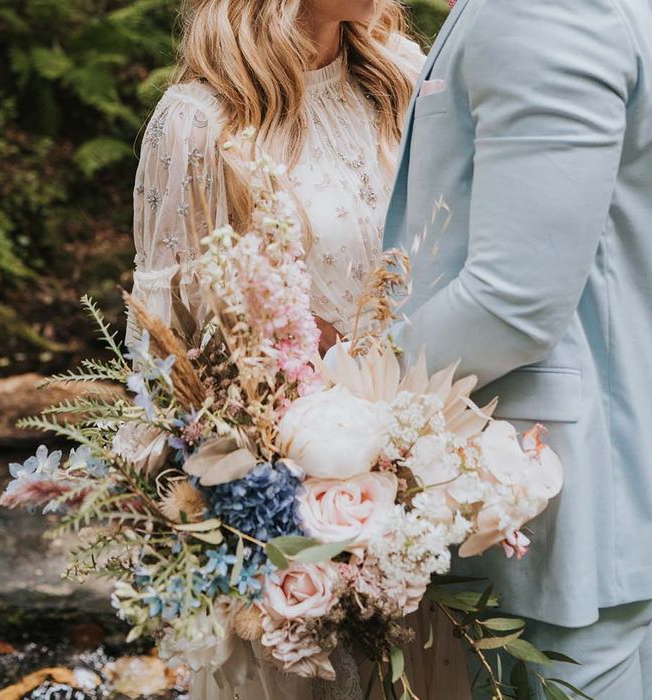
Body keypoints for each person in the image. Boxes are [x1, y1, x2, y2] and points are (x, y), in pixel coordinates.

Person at [128, 1, 454, 698]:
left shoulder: (406, 75)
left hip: (424, 496)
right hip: (287, 522)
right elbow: (167, 355)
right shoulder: (199, 120)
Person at [383, 0, 652, 697]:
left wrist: (347, 403)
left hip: (554, 505)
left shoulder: (542, 9)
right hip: (596, 485)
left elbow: (510, 303)